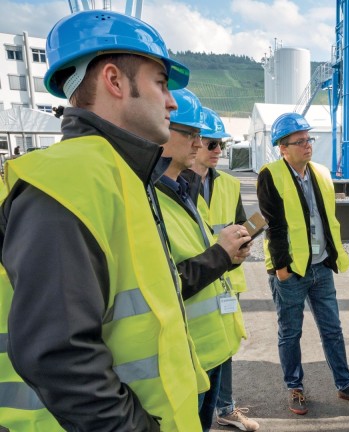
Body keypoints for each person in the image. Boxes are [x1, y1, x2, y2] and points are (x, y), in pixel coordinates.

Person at [0, 10, 206, 431]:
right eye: (161, 84)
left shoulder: (118, 174)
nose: (171, 102)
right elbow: (59, 355)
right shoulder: (70, 179)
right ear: (114, 81)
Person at [257, 112, 349, 415]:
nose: (307, 145)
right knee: (290, 333)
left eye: (309, 139)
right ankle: (294, 387)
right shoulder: (270, 174)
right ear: (283, 148)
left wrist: (332, 256)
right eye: (300, 141)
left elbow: (326, 218)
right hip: (291, 272)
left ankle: (345, 384)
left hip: (321, 267)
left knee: (332, 329)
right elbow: (275, 226)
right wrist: (281, 269)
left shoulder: (321, 173)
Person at [157, 89, 251, 431]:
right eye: (194, 136)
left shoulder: (184, 190)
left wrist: (232, 256)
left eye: (208, 140)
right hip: (184, 353)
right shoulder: (149, 196)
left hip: (210, 339)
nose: (203, 146)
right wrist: (221, 254)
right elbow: (165, 283)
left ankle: (226, 407)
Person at [187, 106, 261, 431]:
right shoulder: (175, 186)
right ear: (194, 141)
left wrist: (246, 240)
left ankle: (226, 408)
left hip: (228, 281)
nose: (219, 151)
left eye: (223, 145)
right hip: (194, 283)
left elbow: (240, 225)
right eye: (212, 144)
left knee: (224, 349)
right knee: (195, 355)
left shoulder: (229, 184)